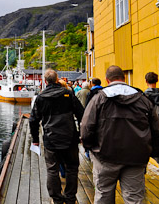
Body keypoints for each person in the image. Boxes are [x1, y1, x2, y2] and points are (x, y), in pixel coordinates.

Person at [81, 65, 159, 204]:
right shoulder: (143, 99)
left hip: (104, 156)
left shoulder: (99, 99)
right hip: (136, 157)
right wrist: (151, 151)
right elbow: (156, 129)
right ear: (124, 78)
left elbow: (86, 127)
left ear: (107, 80)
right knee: (134, 199)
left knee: (103, 197)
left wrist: (90, 147)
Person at [30, 69, 84, 204]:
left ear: (44, 81)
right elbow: (81, 113)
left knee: (52, 169)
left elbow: (33, 120)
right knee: (72, 168)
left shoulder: (40, 98)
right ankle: (70, 197)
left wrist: (35, 140)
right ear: (57, 79)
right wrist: (82, 133)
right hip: (70, 138)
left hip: (51, 139)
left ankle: (57, 198)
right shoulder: (68, 94)